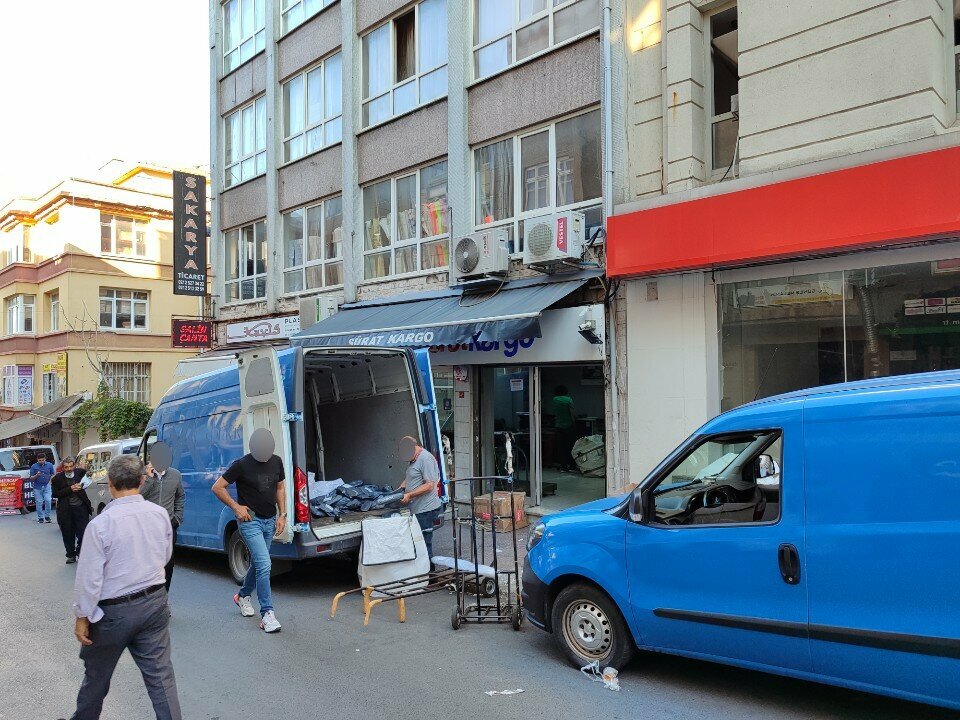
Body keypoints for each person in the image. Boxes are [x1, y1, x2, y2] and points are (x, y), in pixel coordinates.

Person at [63, 454, 181, 720]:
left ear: (110, 482)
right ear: (142, 481)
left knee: (96, 678)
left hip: (113, 613)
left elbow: (89, 579)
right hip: (154, 603)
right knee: (161, 678)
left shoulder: (101, 524)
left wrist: (82, 617)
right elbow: (164, 557)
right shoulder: (160, 514)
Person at [211, 428, 286, 634]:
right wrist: (236, 507)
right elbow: (217, 487)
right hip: (250, 521)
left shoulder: (277, 461)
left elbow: (280, 487)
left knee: (259, 563)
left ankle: (243, 595)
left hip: (269, 521)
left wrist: (282, 515)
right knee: (265, 564)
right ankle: (267, 614)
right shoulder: (242, 464)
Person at [142, 442, 184, 591]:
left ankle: (164, 596)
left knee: (168, 564)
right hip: (146, 527)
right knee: (148, 564)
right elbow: (137, 496)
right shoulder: (142, 475)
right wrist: (149, 479)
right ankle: (148, 596)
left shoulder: (175, 475)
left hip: (168, 526)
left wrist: (177, 518)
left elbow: (180, 496)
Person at [398, 436, 442, 560]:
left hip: (426, 510)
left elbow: (429, 485)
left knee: (424, 545)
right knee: (418, 544)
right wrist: (399, 490)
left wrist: (409, 495)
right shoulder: (413, 459)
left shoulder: (426, 459)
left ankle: (429, 570)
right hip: (418, 509)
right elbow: (411, 477)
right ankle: (423, 568)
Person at [52, 457, 93, 564]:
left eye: (71, 466)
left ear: (74, 466)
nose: (69, 469)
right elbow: (55, 494)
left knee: (83, 532)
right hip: (65, 510)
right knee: (68, 533)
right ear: (63, 468)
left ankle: (80, 551)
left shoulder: (80, 472)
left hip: (81, 508)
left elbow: (89, 476)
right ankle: (70, 555)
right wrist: (70, 489)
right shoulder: (57, 479)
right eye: (66, 467)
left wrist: (89, 475)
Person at [552, 385, 577, 472]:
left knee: (561, 447)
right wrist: (574, 422)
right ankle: (572, 466)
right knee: (571, 446)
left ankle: (564, 467)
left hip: (558, 426)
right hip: (569, 426)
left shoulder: (554, 399)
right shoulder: (569, 400)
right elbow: (572, 413)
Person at [29, 451, 56, 524]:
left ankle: (47, 516)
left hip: (47, 485)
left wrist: (50, 481)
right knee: (39, 502)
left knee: (48, 500)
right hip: (37, 487)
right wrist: (36, 475)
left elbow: (53, 474)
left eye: (43, 460)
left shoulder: (49, 465)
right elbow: (31, 478)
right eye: (40, 460)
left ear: (45, 459)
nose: (41, 461)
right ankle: (40, 517)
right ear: (37, 460)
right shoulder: (34, 466)